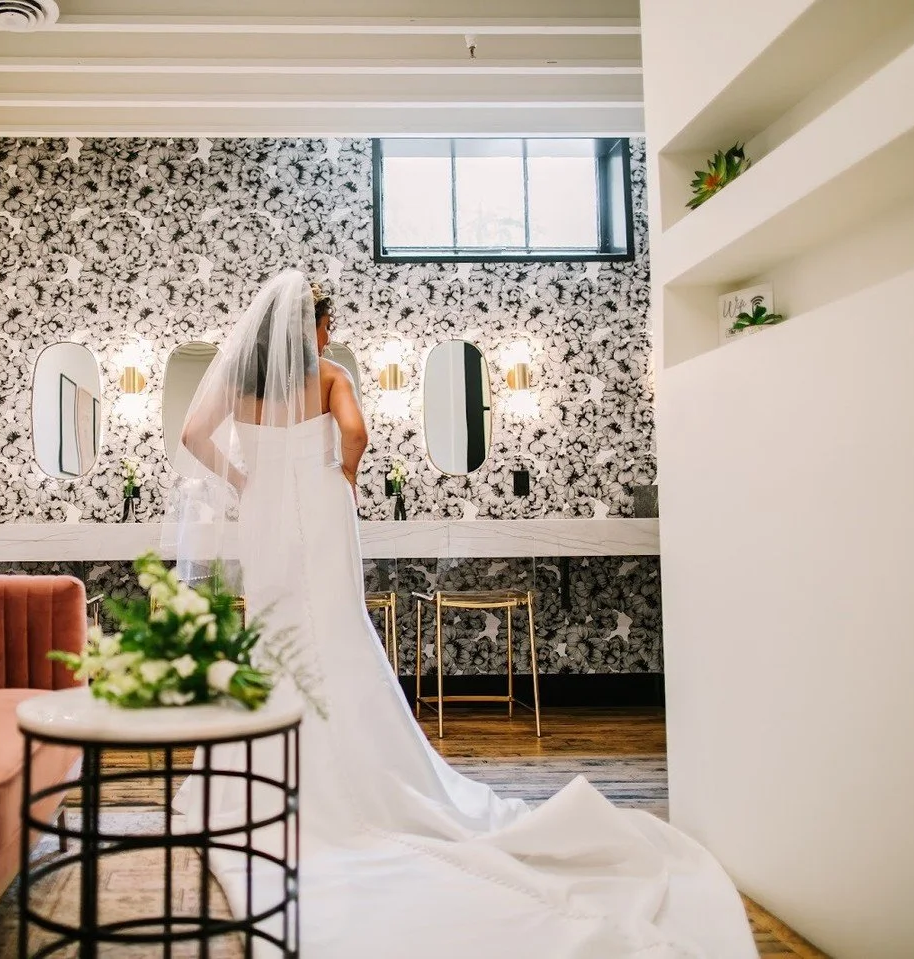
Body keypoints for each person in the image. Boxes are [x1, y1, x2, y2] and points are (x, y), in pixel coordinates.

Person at [172, 270, 756, 958]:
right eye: (325, 324)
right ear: (312, 327)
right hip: (322, 511)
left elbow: (191, 434)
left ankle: (268, 775)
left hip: (266, 515)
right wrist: (343, 476)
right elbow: (354, 435)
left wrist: (247, 480)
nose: (330, 335)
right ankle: (362, 774)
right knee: (335, 634)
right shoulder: (328, 375)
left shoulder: (241, 384)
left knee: (274, 637)